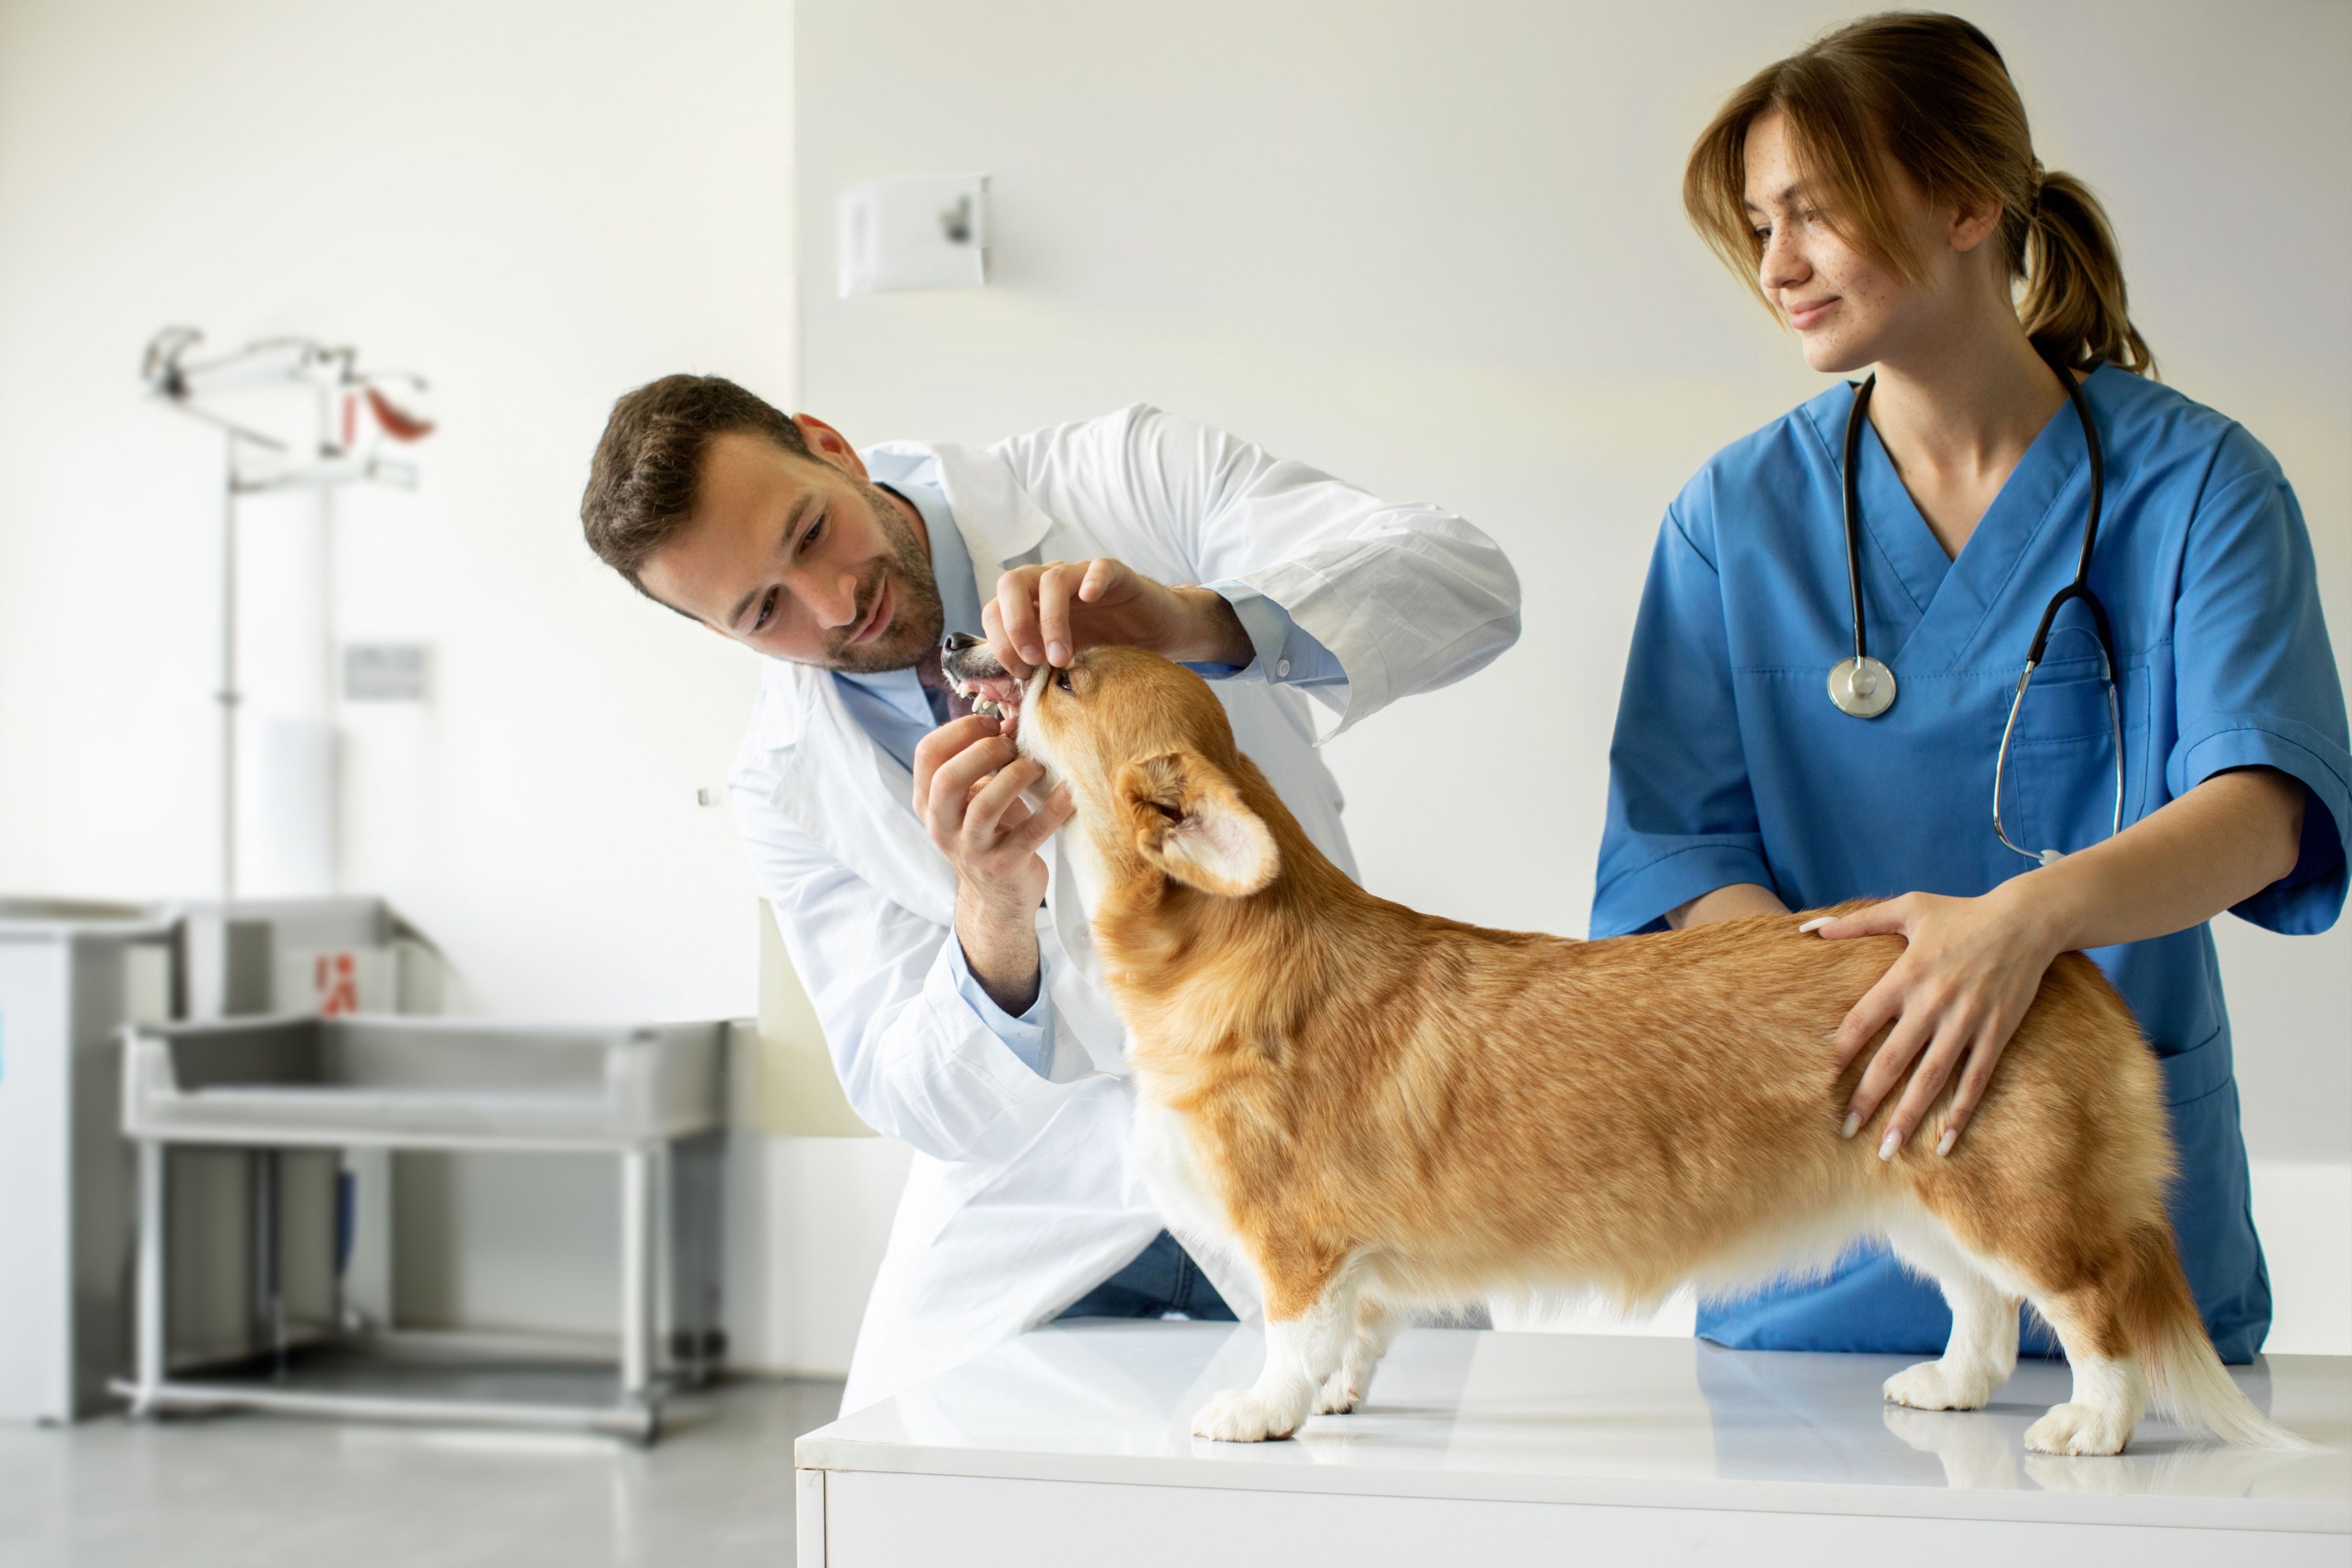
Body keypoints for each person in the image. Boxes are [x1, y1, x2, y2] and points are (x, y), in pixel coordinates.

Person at [1597, 13, 2347, 1360]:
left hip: (2108, 1246)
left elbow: (2268, 806)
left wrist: (2023, 928)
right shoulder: (1732, 520)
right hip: (1816, 1243)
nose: (1780, 264)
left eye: (1814, 213)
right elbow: (1677, 849)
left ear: (1966, 202)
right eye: (1764, 226)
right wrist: (1870, 1010)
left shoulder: (2206, 492)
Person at [581, 381, 1520, 1407]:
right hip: (1042, 1193)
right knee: (900, 1482)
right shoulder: (781, 780)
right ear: (725, 636)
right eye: (765, 609)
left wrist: (1194, 622)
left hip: (1300, 1095)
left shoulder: (1124, 479)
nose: (835, 601)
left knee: (1408, 1465)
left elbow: (1467, 582)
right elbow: (907, 1091)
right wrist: (989, 912)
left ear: (831, 447)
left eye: (812, 531)